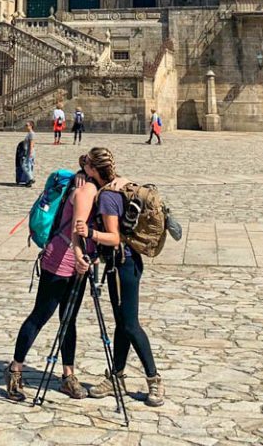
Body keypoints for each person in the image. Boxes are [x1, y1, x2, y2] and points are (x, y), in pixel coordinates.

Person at [74, 147, 165, 408]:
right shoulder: (118, 182)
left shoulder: (107, 198)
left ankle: (154, 378)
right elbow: (84, 162)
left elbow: (114, 238)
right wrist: (83, 171)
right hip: (123, 264)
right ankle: (117, 376)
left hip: (122, 265)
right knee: (121, 323)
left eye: (88, 167)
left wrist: (89, 233)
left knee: (130, 324)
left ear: (95, 170)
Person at [5, 165, 97, 402]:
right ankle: (15, 369)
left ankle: (68, 375)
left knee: (69, 320)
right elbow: (78, 227)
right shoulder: (80, 188)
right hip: (59, 261)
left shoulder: (94, 186)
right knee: (40, 315)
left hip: (80, 265)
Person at [15, 121, 35, 187]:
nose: (26, 126)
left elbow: (32, 144)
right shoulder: (29, 133)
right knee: (28, 166)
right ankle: (28, 180)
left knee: (24, 165)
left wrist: (30, 152)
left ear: (31, 126)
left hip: (28, 152)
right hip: (26, 151)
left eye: (27, 125)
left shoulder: (31, 134)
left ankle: (31, 178)